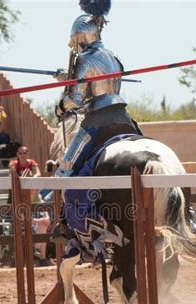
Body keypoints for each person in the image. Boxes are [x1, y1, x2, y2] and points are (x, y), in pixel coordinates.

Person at [53, 6, 139, 177]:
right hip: (122, 115)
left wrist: (60, 108)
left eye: (73, 38)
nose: (71, 44)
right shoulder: (113, 57)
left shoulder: (85, 59)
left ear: (82, 35)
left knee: (65, 170)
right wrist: (69, 77)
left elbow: (77, 99)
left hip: (98, 118)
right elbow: (99, 79)